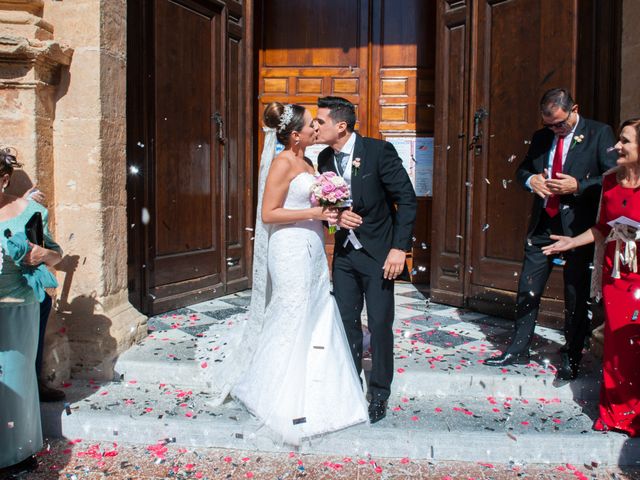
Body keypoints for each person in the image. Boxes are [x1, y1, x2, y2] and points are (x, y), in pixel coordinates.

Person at [227, 103, 368, 445]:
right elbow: (269, 214)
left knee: (316, 310)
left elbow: (310, 206)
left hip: (312, 246)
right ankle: (277, 392)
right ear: (295, 135)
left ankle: (319, 387)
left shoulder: (307, 162)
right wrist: (317, 210)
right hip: (288, 248)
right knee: (292, 313)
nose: (316, 129)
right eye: (311, 126)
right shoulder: (282, 162)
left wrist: (329, 214)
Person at [484, 88, 617, 380]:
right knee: (528, 287)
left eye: (560, 123)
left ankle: (572, 355)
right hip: (544, 223)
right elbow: (522, 170)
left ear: (574, 110)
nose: (555, 130)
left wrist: (578, 186)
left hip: (579, 228)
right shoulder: (543, 136)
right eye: (549, 125)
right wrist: (532, 180)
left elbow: (611, 178)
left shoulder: (599, 133)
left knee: (575, 292)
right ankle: (518, 350)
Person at [315, 96, 417, 423]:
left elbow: (407, 199)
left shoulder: (378, 151)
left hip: (379, 256)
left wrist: (399, 249)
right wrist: (336, 218)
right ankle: (349, 384)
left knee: (379, 323)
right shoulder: (324, 159)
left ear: (341, 126)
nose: (315, 126)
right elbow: (328, 208)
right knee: (345, 322)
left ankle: (380, 391)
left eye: (321, 121)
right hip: (345, 255)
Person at [542, 118, 640, 436]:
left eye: (625, 141)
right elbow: (602, 228)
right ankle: (614, 415)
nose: (617, 146)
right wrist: (572, 241)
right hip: (616, 276)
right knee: (616, 349)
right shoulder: (610, 181)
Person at [0, 148, 62, 475]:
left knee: (14, 381)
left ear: (4, 179)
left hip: (16, 311)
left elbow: (56, 255)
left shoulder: (28, 213)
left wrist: (37, 254)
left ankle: (16, 453)